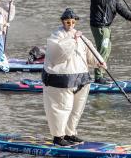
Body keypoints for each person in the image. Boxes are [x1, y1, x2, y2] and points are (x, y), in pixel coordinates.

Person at [42, 8, 106, 146]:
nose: (70, 25)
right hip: (62, 81)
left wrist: (99, 61)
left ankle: (70, 133)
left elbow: (89, 50)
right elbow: (57, 54)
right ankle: (58, 137)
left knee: (76, 109)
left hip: (81, 78)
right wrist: (73, 40)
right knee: (61, 108)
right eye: (67, 22)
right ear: (63, 22)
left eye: (72, 22)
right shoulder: (56, 36)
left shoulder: (80, 36)